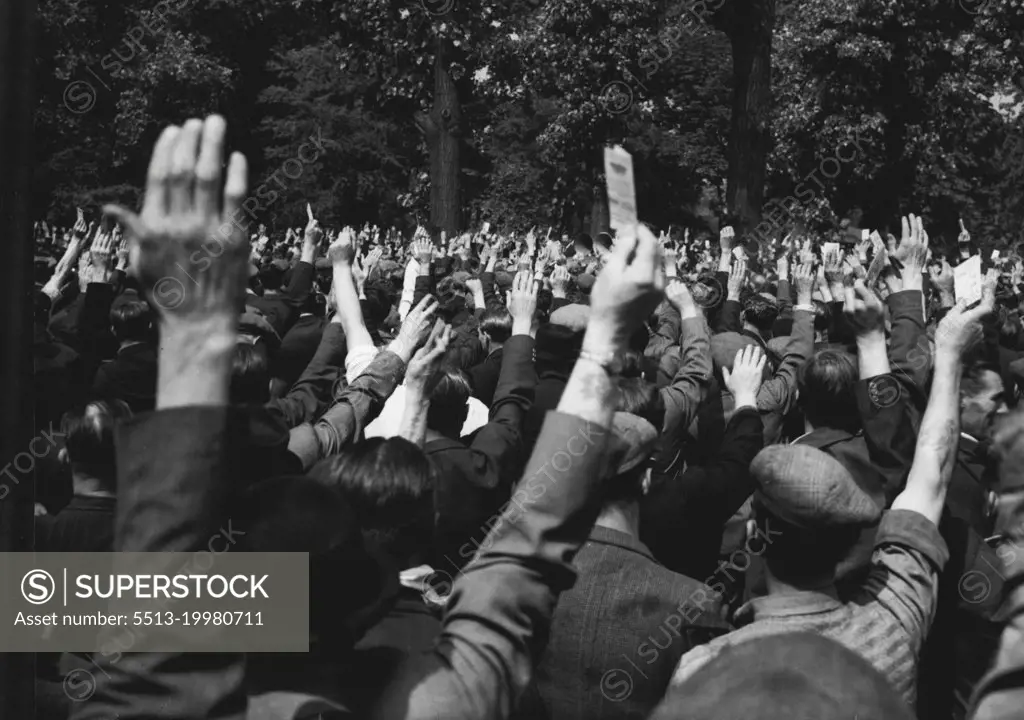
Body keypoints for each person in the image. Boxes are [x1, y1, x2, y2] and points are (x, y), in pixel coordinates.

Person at [670, 277, 996, 706]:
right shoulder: (891, 635)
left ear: (755, 537)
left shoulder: (703, 672)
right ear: (850, 537)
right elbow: (928, 473)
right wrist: (944, 352)